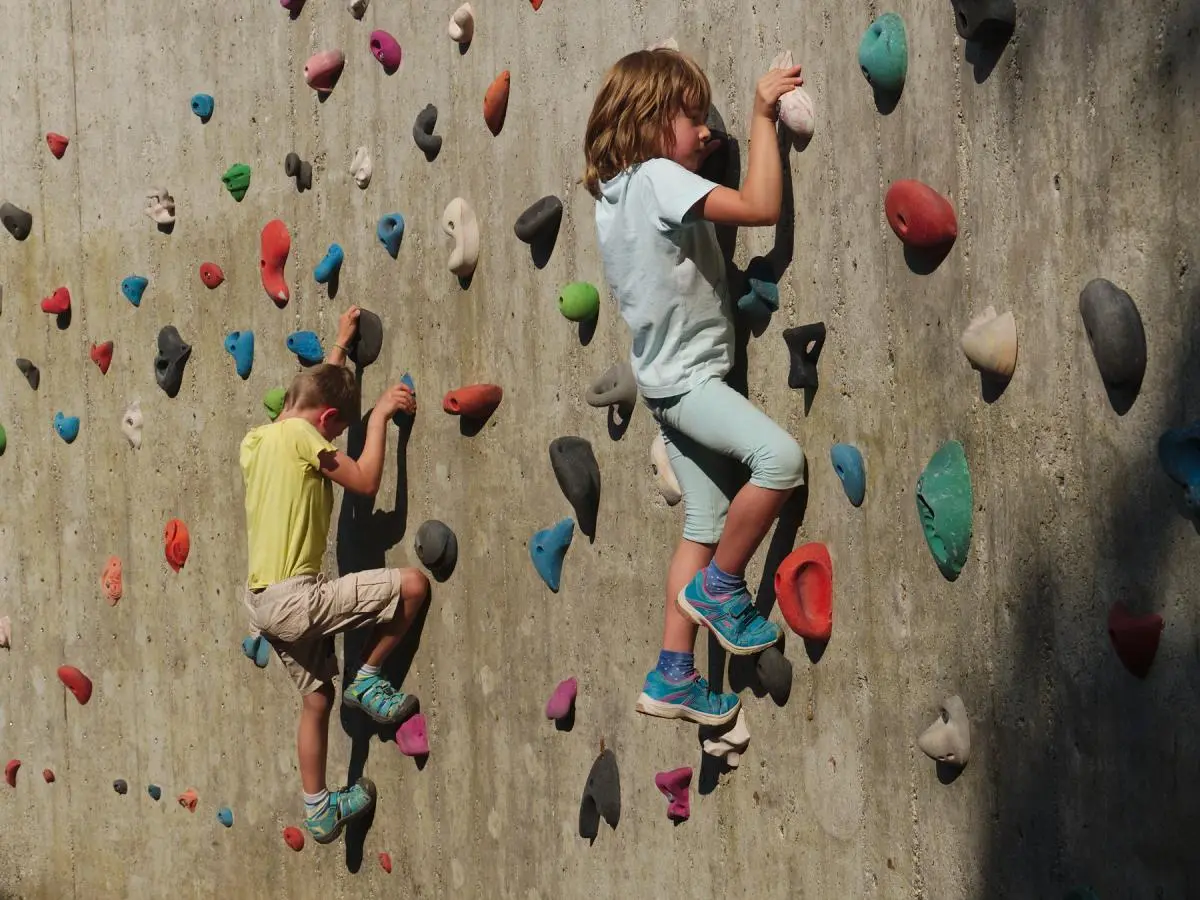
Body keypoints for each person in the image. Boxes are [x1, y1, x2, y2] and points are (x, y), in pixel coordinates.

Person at [584, 49, 807, 727]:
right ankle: (722, 588)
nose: (707, 130)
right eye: (692, 115)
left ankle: (674, 674)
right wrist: (761, 113)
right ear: (652, 124)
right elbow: (762, 207)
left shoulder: (614, 196)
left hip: (661, 385)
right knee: (781, 462)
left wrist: (698, 146)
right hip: (690, 384)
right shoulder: (656, 179)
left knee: (704, 520)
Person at [239, 305, 430, 844]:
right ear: (327, 425)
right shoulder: (306, 438)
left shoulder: (256, 441)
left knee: (317, 697)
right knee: (414, 585)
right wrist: (377, 420)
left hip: (262, 605)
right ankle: (368, 678)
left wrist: (340, 350)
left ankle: (319, 806)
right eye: (336, 432)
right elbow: (367, 483)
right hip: (299, 600)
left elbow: (308, 398)